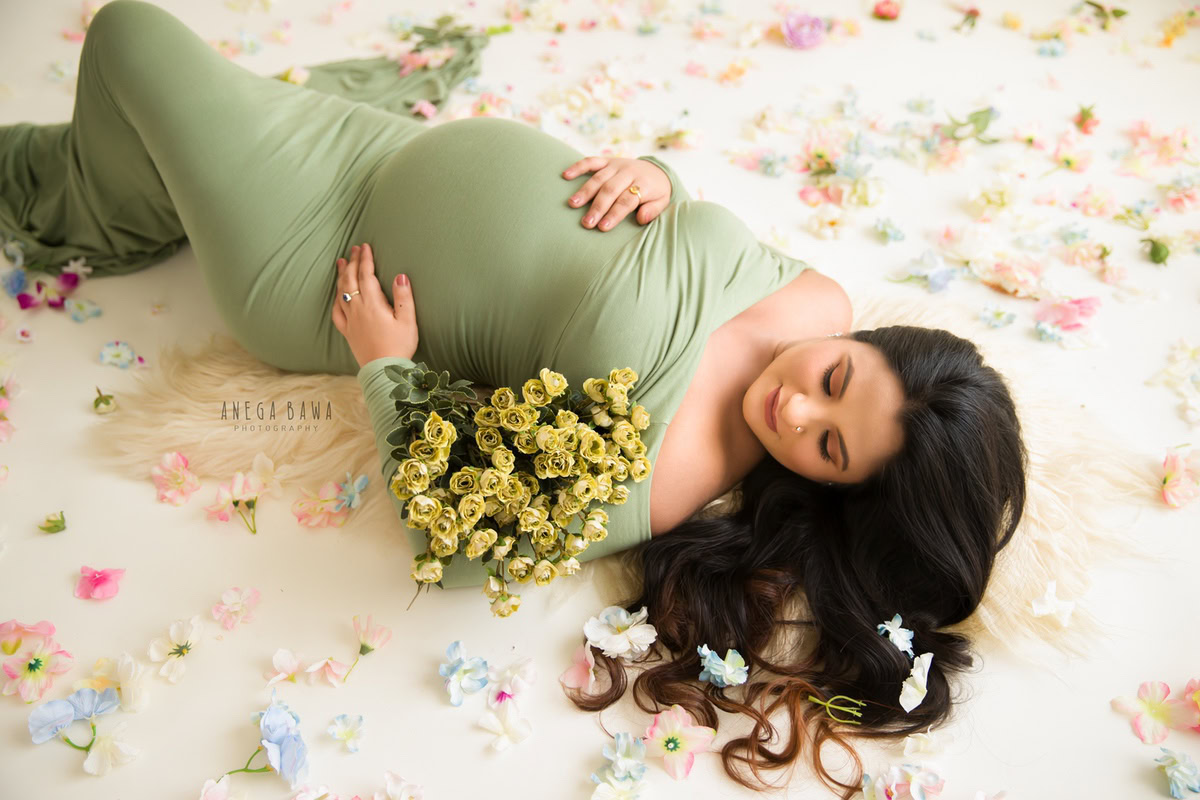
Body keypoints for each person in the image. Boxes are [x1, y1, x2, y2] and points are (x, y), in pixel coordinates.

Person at [1, 2, 1028, 794]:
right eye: (836, 380)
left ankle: (98, 202)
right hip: (373, 147)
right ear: (862, 341)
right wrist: (655, 176)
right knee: (158, 104)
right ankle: (134, 184)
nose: (797, 410)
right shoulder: (819, 297)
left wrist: (386, 369)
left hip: (320, 253)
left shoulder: (668, 475)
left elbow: (469, 537)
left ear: (833, 489)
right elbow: (681, 238)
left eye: (829, 448)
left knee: (131, 33)